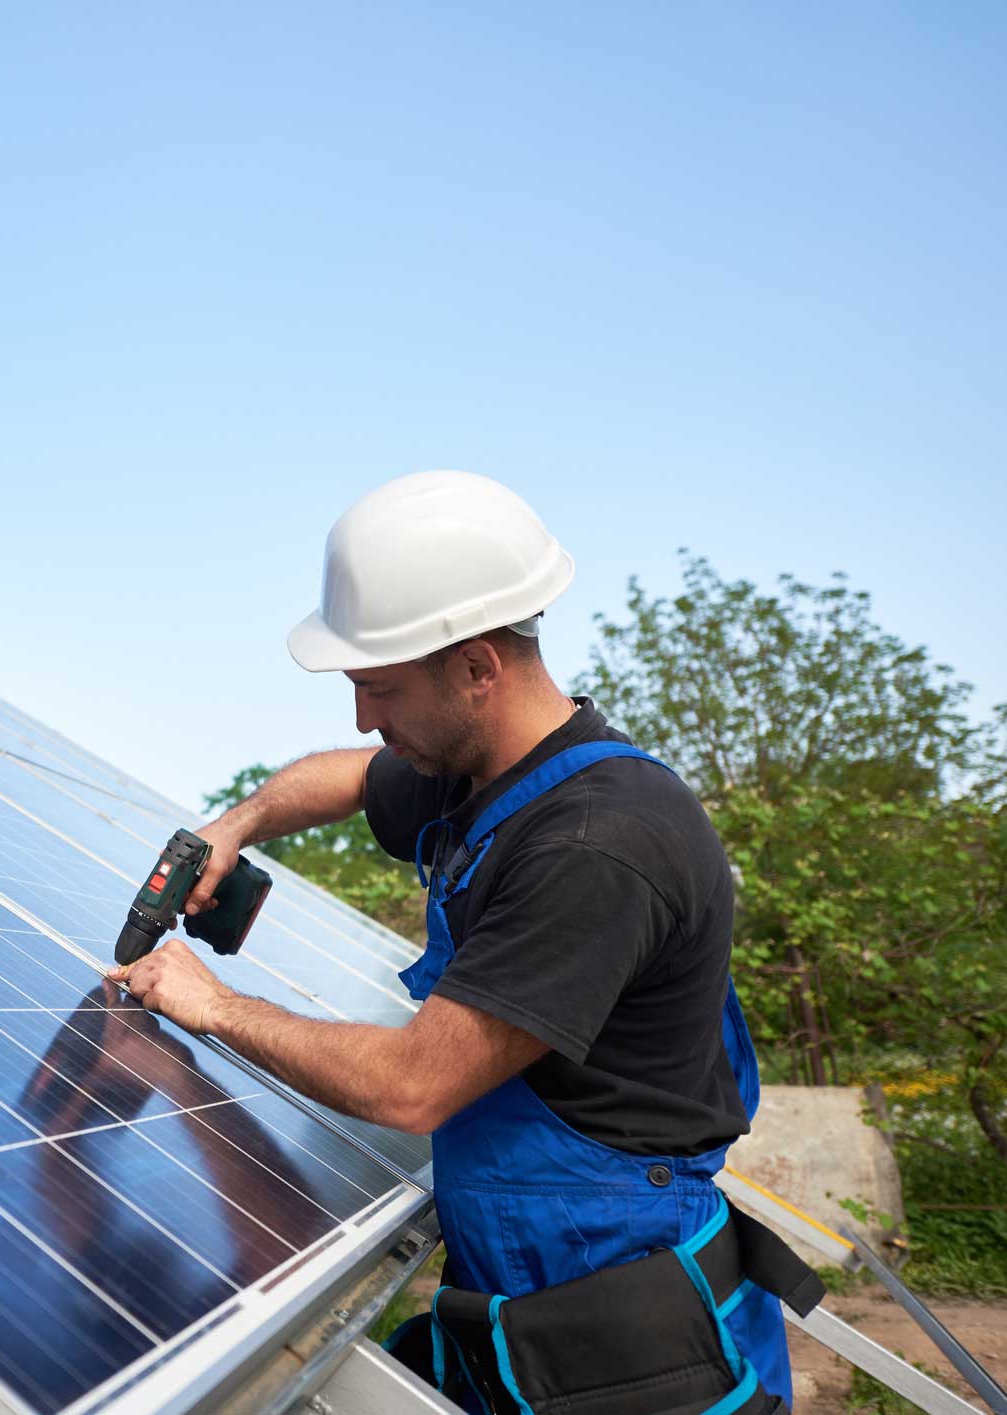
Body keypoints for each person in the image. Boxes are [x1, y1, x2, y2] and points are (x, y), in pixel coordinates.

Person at [107, 471, 820, 1414]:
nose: (365, 715)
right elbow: (354, 778)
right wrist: (237, 823)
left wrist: (211, 1005)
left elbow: (412, 1085)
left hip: (625, 1325)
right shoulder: (476, 776)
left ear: (477, 667)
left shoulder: (596, 840)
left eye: (379, 687)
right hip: (524, 1299)